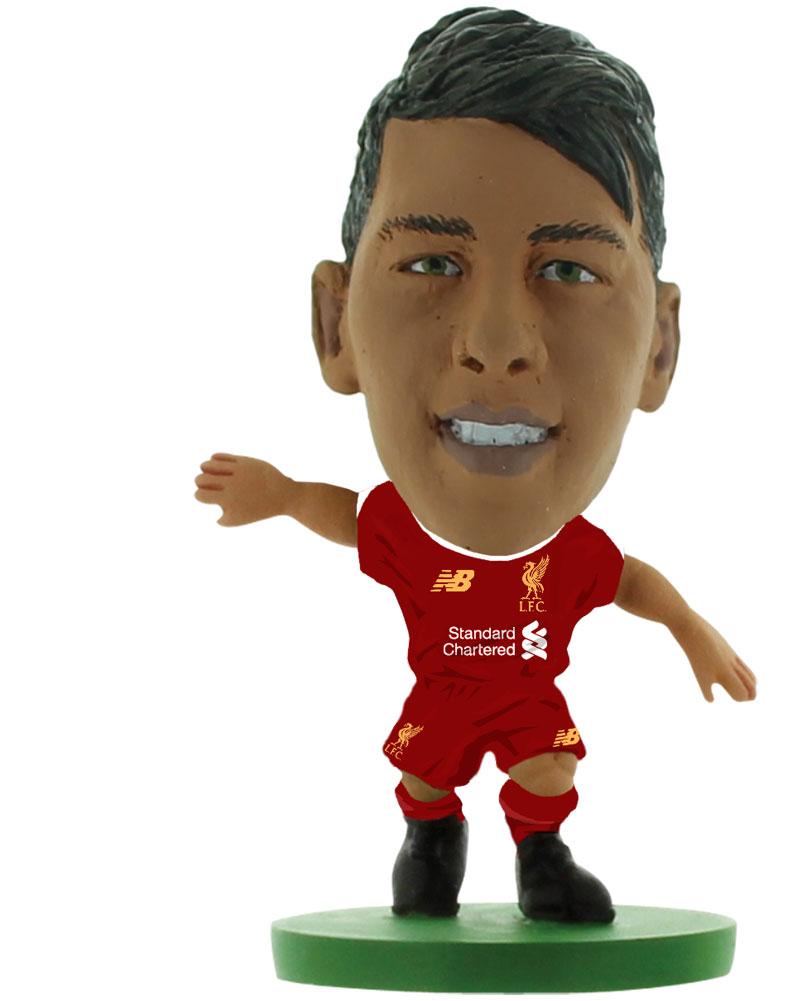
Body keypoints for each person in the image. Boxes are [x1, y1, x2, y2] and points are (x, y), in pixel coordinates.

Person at [194, 6, 756, 924]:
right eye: (430, 264)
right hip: (443, 697)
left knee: (550, 767)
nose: (496, 345)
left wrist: (689, 627)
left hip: (527, 700)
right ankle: (431, 841)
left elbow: (630, 583)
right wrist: (286, 494)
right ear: (335, 325)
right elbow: (353, 521)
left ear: (658, 349)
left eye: (569, 271)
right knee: (425, 773)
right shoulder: (402, 536)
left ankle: (542, 857)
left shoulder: (570, 559)